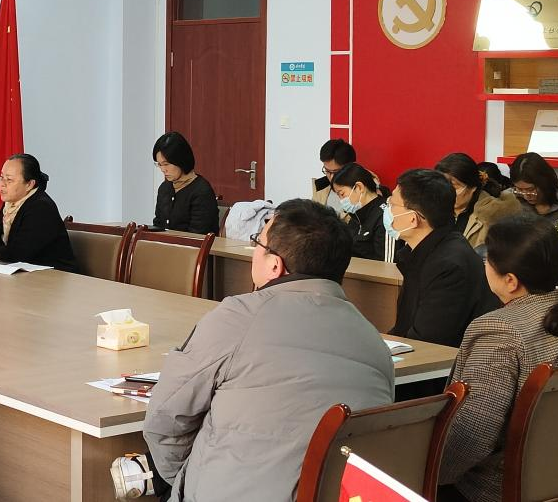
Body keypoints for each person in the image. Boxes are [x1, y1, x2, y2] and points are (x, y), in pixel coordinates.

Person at [143, 199, 393, 502]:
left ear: (275, 265)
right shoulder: (374, 340)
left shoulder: (238, 317)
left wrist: (186, 481)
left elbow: (164, 419)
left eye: (257, 242)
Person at [439, 215, 558, 502]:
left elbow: (474, 434)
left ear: (510, 281)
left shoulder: (499, 329)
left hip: (500, 488)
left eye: (487, 260)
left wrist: (425, 473)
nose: (484, 265)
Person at [387, 169, 500, 347]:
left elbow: (427, 341)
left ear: (413, 219)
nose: (387, 210)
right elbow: (404, 328)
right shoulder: (424, 250)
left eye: (392, 204)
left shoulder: (448, 266)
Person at [0, 153, 76, 271]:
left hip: (54, 276)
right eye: (1, 177)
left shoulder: (41, 207)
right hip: (24, 273)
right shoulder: (11, 202)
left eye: (9, 180)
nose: (2, 184)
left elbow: (19, 252)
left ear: (29, 184)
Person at [435, 152, 522, 249]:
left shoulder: (492, 215)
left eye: (454, 187)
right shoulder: (433, 210)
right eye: (442, 186)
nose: (446, 192)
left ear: (472, 187)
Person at [152, 131, 218, 235]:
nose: (163, 170)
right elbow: (158, 225)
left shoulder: (201, 191)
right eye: (159, 164)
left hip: (192, 245)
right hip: (165, 244)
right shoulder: (165, 188)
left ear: (180, 160)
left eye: (166, 164)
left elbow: (198, 235)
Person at [330, 162, 386, 260]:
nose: (341, 201)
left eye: (342, 194)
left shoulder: (385, 216)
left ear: (359, 187)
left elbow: (386, 264)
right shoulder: (356, 215)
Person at [509, 152, 558, 220]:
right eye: (519, 189)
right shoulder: (512, 203)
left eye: (530, 189)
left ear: (545, 182)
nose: (526, 196)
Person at [312, 138, 356, 212]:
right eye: (327, 171)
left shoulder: (365, 191)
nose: (332, 177)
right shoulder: (320, 188)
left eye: (336, 172)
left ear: (352, 167)